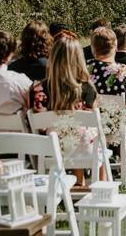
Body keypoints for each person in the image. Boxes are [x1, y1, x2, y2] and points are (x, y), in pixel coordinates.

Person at [30, 36, 100, 187]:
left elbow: (39, 124)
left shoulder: (38, 89)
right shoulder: (88, 88)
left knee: (65, 132)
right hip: (86, 150)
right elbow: (93, 122)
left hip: (51, 150)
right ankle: (100, 186)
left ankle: (78, 182)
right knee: (86, 133)